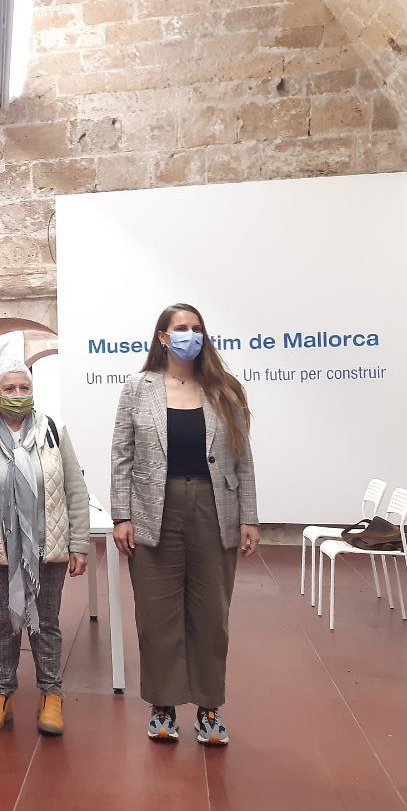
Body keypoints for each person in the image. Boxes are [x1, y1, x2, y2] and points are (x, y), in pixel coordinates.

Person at [110, 303, 259, 747]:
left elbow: (242, 457)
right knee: (157, 614)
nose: (189, 335)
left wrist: (249, 516)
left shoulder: (224, 388)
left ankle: (210, 706)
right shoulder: (139, 387)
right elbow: (122, 455)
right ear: (162, 337)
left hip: (216, 509)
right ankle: (163, 705)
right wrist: (122, 515)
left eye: (196, 328)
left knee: (212, 613)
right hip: (156, 508)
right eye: (180, 329)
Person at [0, 358, 89, 737]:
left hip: (47, 546)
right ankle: (1, 694)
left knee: (47, 624)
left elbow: (75, 488)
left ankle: (51, 694)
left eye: (24, 388)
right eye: (8, 389)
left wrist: (79, 543)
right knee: (2, 623)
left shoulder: (53, 430)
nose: (17, 395)